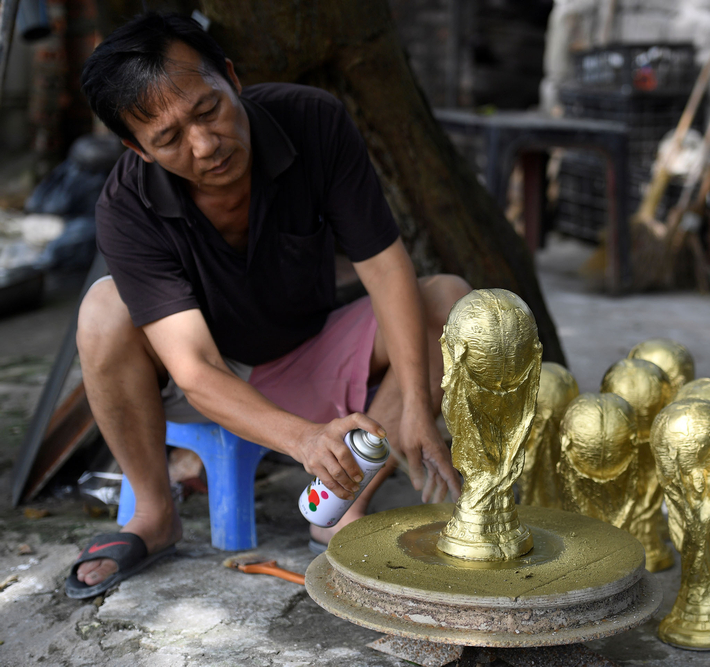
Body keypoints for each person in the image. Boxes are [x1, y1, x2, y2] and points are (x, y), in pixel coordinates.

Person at [65, 12, 469, 598]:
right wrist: (304, 440)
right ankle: (154, 513)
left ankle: (337, 510)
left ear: (230, 76)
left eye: (208, 110)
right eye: (169, 139)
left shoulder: (313, 120)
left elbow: (384, 267)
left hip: (310, 351)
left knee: (448, 300)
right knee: (103, 309)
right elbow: (195, 369)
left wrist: (415, 404)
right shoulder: (126, 206)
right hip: (212, 386)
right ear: (137, 149)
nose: (205, 146)